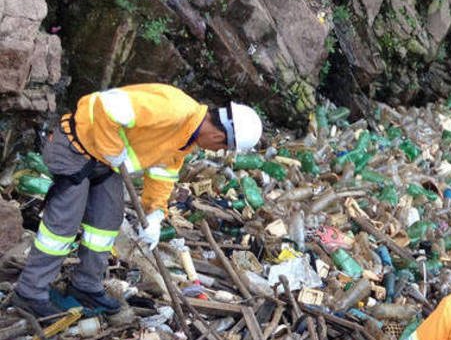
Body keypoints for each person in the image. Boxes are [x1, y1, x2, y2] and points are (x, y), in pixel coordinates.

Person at [12, 83, 263, 318]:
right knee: (63, 226)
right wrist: (113, 147)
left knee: (106, 220)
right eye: (220, 148)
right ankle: (30, 292)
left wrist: (154, 214)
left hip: (104, 163)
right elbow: (102, 106)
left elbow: (162, 176)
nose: (214, 151)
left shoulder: (186, 140)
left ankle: (86, 285)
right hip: (74, 147)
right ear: (220, 137)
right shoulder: (173, 109)